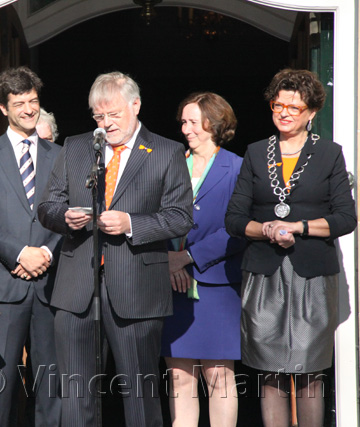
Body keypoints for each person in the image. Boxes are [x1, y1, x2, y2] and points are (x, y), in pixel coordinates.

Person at [37, 71, 193, 427]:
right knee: (77, 396)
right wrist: (67, 217)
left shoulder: (166, 152)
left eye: (113, 115)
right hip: (77, 288)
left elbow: (180, 217)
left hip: (137, 289)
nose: (105, 124)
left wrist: (132, 224)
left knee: (139, 395)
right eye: (98, 116)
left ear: (135, 106)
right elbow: (47, 206)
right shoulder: (77, 148)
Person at [225, 69, 356, 427]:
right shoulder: (255, 153)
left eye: (294, 108)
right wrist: (265, 228)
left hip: (312, 274)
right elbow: (234, 219)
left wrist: (299, 227)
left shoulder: (329, 154)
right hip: (264, 273)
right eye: (277, 105)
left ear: (311, 113)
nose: (284, 113)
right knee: (270, 372)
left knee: (309, 372)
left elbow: (346, 218)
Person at [0, 66, 62, 426]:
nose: (28, 109)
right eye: (19, 103)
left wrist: (46, 254)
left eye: (33, 101)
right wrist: (20, 254)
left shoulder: (60, 155)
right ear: (4, 108)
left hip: (51, 286)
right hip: (6, 285)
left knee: (51, 384)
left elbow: (67, 214)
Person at [160, 92, 246, 426]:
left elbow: (238, 229)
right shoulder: (169, 163)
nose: (186, 129)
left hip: (217, 286)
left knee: (219, 378)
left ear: (215, 123)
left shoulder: (237, 168)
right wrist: (169, 259)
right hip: (172, 284)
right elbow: (151, 216)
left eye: (194, 121)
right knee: (180, 378)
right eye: (183, 121)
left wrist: (188, 257)